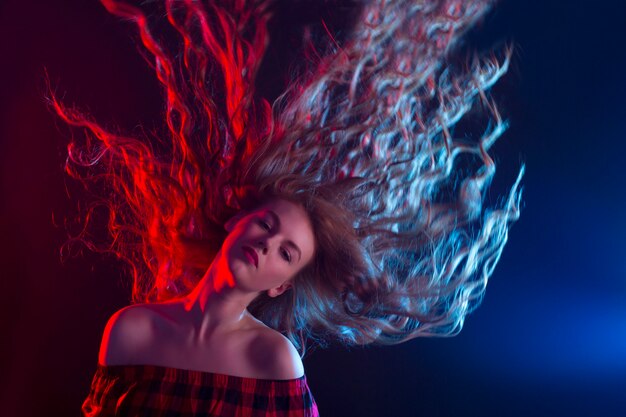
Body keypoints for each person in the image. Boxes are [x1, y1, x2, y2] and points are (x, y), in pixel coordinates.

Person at [47, 0, 524, 416]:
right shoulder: (131, 330)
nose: (268, 244)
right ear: (237, 220)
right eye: (268, 225)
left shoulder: (273, 362)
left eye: (286, 252)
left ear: (281, 284)